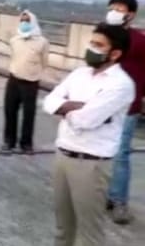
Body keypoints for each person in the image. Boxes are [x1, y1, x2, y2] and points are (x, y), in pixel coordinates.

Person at [43, 23, 134, 246]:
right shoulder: (79, 74)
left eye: (98, 45)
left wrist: (64, 108)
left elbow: (86, 120)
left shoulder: (121, 85)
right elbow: (48, 101)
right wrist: (73, 106)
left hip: (91, 164)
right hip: (63, 155)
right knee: (63, 228)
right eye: (91, 42)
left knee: (89, 234)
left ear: (115, 53)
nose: (91, 48)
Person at [104, 0, 145, 224]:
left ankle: (119, 200)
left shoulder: (138, 41)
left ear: (131, 13)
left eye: (119, 8)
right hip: (102, 105)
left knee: (120, 155)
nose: (114, 12)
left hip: (127, 107)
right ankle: (107, 194)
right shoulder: (105, 37)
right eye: (112, 8)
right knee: (100, 152)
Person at [2, 10, 49, 154]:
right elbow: (13, 56)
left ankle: (26, 143)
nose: (24, 23)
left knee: (29, 114)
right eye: (22, 20)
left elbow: (44, 61)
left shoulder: (42, 42)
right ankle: (9, 141)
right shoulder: (14, 40)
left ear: (33, 22)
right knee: (10, 110)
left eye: (27, 20)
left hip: (31, 81)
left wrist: (34, 72)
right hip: (14, 78)